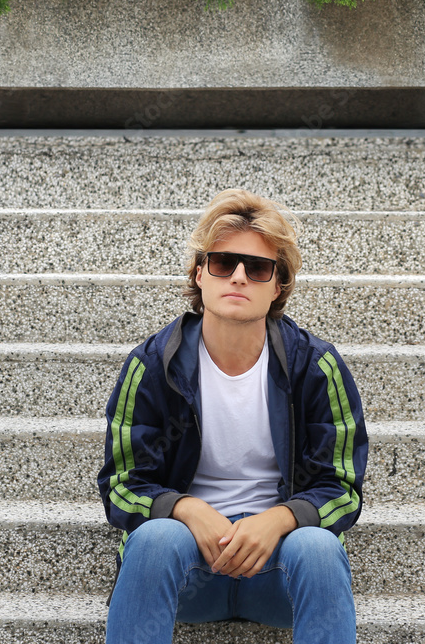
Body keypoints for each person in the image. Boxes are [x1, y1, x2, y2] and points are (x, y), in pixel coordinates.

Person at [98, 188, 368, 644]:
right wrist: (185, 509)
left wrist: (279, 519)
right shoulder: (154, 365)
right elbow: (121, 485)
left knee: (318, 547)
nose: (239, 277)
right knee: (156, 539)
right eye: (223, 263)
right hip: (187, 571)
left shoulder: (316, 367)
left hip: (279, 574)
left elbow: (342, 488)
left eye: (258, 268)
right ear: (199, 273)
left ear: (278, 286)